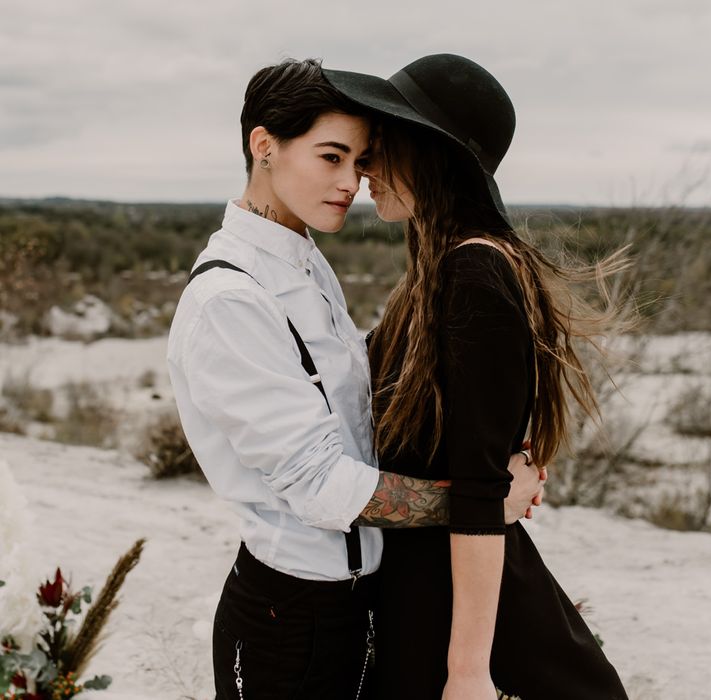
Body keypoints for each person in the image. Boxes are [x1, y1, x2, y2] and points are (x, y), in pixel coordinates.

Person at [166, 58, 544, 700]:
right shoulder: (232, 299)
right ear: (264, 147)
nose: (352, 181)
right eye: (332, 157)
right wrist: (480, 503)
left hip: (357, 600)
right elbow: (318, 485)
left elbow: (359, 409)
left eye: (361, 158)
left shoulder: (305, 262)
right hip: (289, 614)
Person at [323, 54, 630, 700]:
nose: (365, 167)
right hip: (421, 594)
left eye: (383, 146)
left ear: (431, 152)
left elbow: (476, 496)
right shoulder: (433, 274)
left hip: (463, 618)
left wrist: (467, 672)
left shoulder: (475, 279)